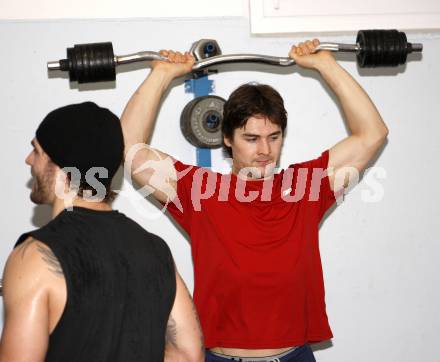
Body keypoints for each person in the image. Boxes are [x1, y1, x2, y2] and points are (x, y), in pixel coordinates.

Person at [121, 39, 388, 362]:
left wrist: (327, 65)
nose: (264, 151)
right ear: (227, 139)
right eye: (251, 138)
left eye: (273, 138)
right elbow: (131, 150)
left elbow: (372, 134)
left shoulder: (304, 187)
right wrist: (161, 75)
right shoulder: (200, 191)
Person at [0, 102, 204, 362]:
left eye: (37, 151)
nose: (29, 160)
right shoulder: (155, 250)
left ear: (60, 165)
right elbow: (187, 354)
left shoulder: (34, 257)